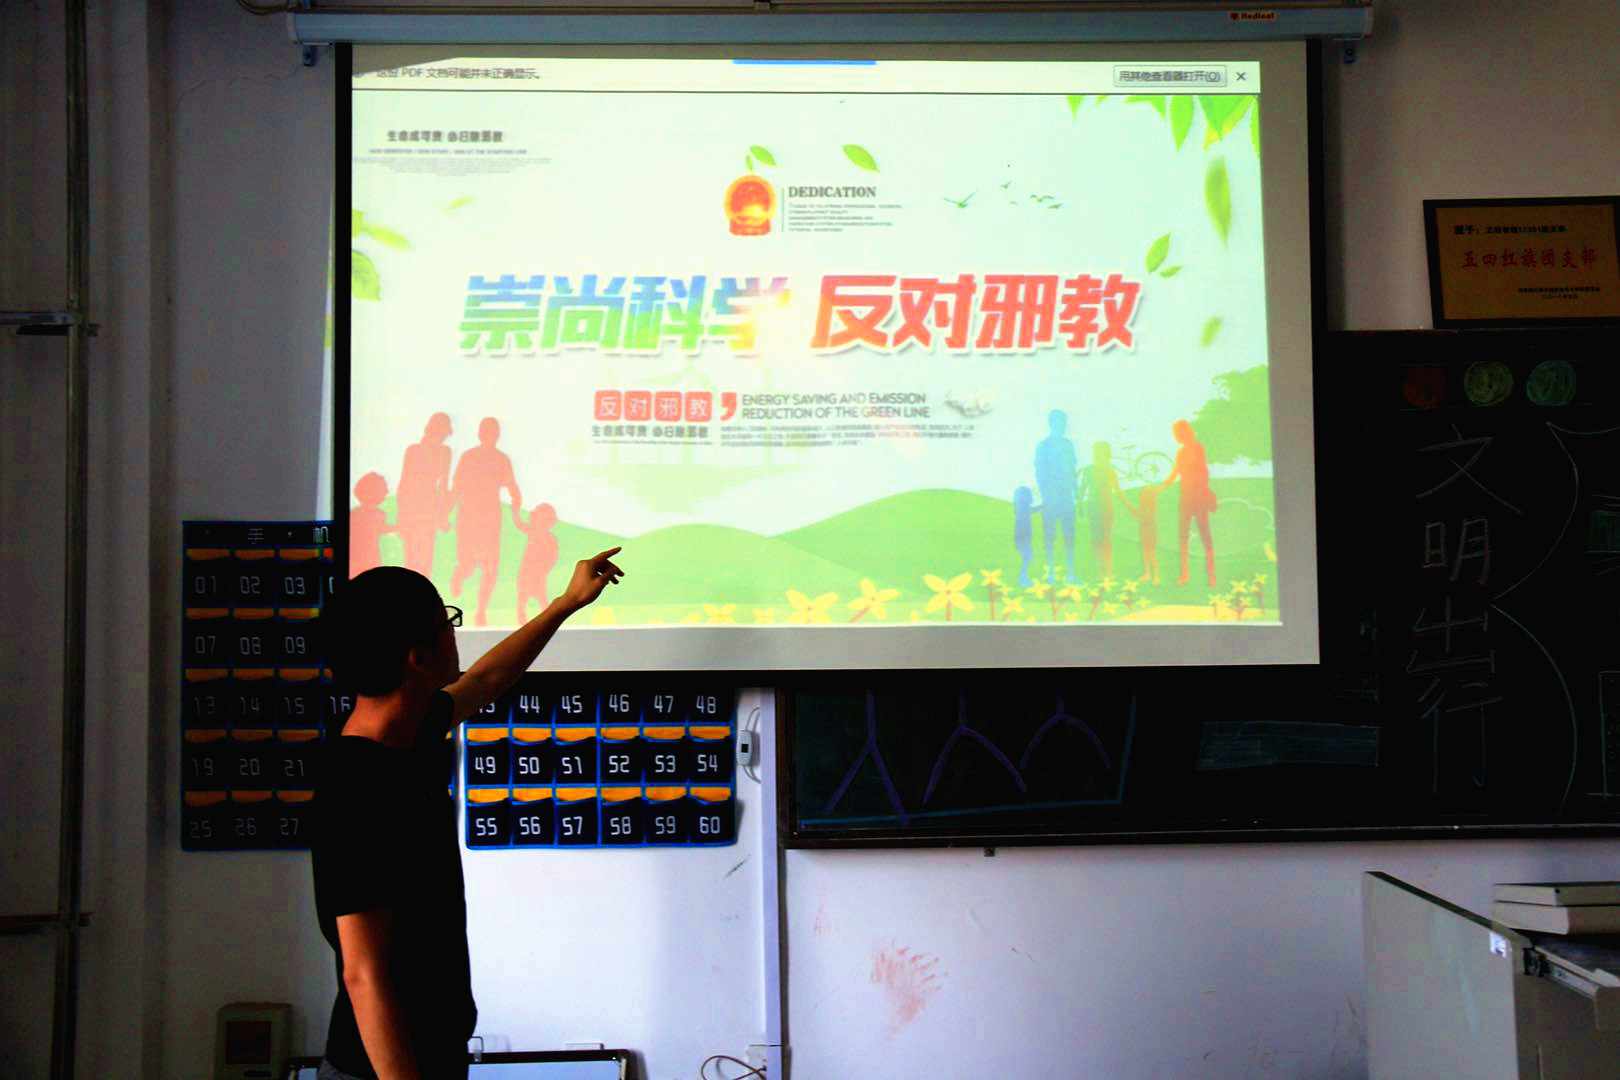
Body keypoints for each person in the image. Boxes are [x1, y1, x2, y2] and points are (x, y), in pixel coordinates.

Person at [311, 547, 624, 1080]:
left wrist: (565, 604)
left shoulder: (411, 730)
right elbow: (364, 974)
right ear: (418, 658)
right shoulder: (356, 788)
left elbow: (484, 681)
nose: (455, 633)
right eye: (447, 622)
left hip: (436, 1053)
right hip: (383, 1069)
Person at [448, 418, 521, 626]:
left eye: (493, 432)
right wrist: (444, 514)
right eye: (486, 432)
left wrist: (517, 515)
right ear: (480, 434)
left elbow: (513, 487)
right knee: (468, 563)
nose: (489, 436)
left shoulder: (501, 459)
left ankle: (481, 611)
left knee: (490, 566)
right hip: (469, 516)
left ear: (497, 435)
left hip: (491, 517)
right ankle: (459, 575)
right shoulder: (469, 456)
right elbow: (456, 489)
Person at [1159, 418, 1218, 587]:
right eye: (1175, 434)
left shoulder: (1199, 448)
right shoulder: (1181, 452)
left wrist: (1206, 495)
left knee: (1205, 535)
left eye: (1177, 433)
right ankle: (1184, 574)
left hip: (1198, 498)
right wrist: (1158, 489)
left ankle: (1211, 574)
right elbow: (1174, 473)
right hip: (1185, 499)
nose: (1176, 437)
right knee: (1183, 537)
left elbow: (1204, 473)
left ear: (1185, 432)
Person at [396, 413, 453, 577]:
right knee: (413, 558)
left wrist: (442, 516)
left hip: (427, 508)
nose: (444, 437)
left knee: (423, 557)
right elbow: (404, 483)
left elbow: (443, 486)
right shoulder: (415, 451)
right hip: (415, 508)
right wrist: (402, 515)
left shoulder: (444, 452)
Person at [1033, 410, 1079, 583]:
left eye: (1065, 422)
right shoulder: (1043, 446)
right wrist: (1046, 495)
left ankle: (1070, 574)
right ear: (1052, 424)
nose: (1065, 426)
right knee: (1050, 536)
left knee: (1069, 536)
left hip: (1067, 497)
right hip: (1051, 498)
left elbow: (1072, 471)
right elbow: (1039, 472)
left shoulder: (1068, 445)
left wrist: (1076, 494)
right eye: (1061, 422)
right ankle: (1051, 574)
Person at [1077, 441, 1121, 580]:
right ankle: (1103, 571)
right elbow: (1118, 491)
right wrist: (1080, 506)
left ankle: (1104, 571)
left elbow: (1082, 490)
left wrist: (1080, 506)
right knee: (1102, 539)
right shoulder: (1107, 470)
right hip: (1101, 508)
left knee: (1100, 539)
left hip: (1100, 508)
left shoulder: (1100, 470)